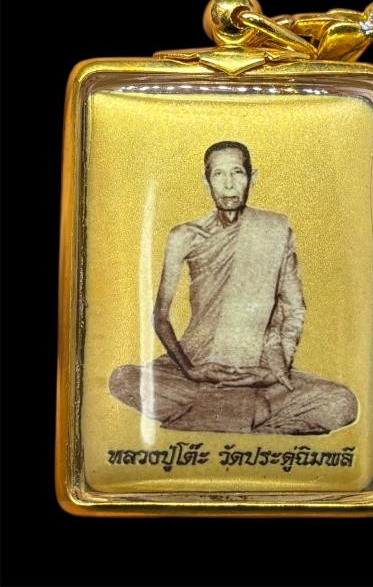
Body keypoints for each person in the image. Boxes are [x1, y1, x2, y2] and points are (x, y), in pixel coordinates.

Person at [109, 141, 358, 434]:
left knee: (342, 403)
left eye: (237, 173)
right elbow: (160, 317)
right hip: (197, 366)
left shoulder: (274, 231)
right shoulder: (185, 236)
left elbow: (294, 309)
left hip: (257, 371)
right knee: (122, 379)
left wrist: (274, 371)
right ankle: (255, 416)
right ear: (206, 180)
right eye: (219, 174)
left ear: (252, 177)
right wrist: (191, 370)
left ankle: (221, 413)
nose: (229, 184)